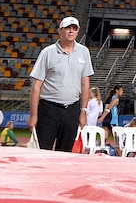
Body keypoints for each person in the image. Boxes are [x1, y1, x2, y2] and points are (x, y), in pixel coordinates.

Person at [27, 16, 94, 151]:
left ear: (78, 31)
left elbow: (85, 84)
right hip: (48, 109)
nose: (71, 31)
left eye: (74, 28)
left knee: (66, 151)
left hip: (71, 109)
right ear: (60, 31)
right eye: (67, 28)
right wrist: (33, 115)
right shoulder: (48, 52)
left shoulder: (83, 52)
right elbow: (36, 86)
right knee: (42, 149)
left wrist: (83, 111)